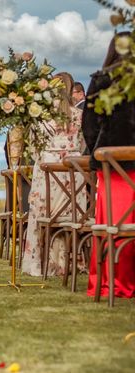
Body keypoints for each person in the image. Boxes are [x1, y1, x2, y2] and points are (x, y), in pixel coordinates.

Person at [83, 32, 135, 299]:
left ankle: (111, 281)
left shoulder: (101, 80)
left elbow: (89, 125)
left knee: (114, 226)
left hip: (112, 168)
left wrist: (97, 152)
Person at [22, 72, 86, 277]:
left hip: (47, 170)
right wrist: (71, 153)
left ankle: (40, 263)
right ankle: (70, 261)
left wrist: (47, 155)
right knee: (71, 215)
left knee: (43, 214)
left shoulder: (41, 117)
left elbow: (33, 148)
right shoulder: (79, 116)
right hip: (74, 171)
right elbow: (84, 145)